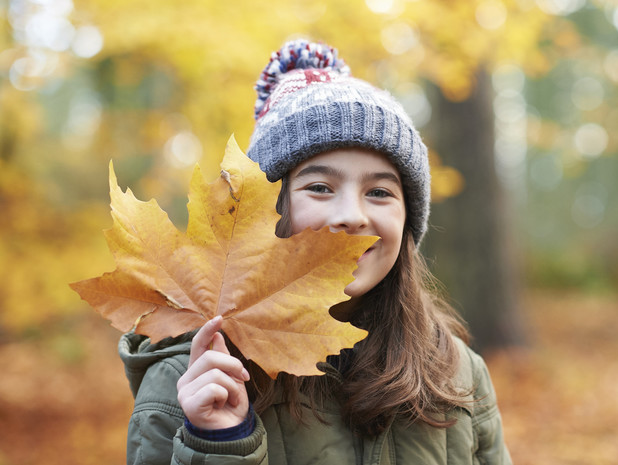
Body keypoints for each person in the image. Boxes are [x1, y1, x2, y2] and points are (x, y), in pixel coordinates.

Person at [119, 39, 512, 465]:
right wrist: (219, 444)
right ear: (269, 212)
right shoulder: (193, 380)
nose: (352, 216)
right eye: (320, 188)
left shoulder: (456, 373)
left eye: (379, 192)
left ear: (406, 222)